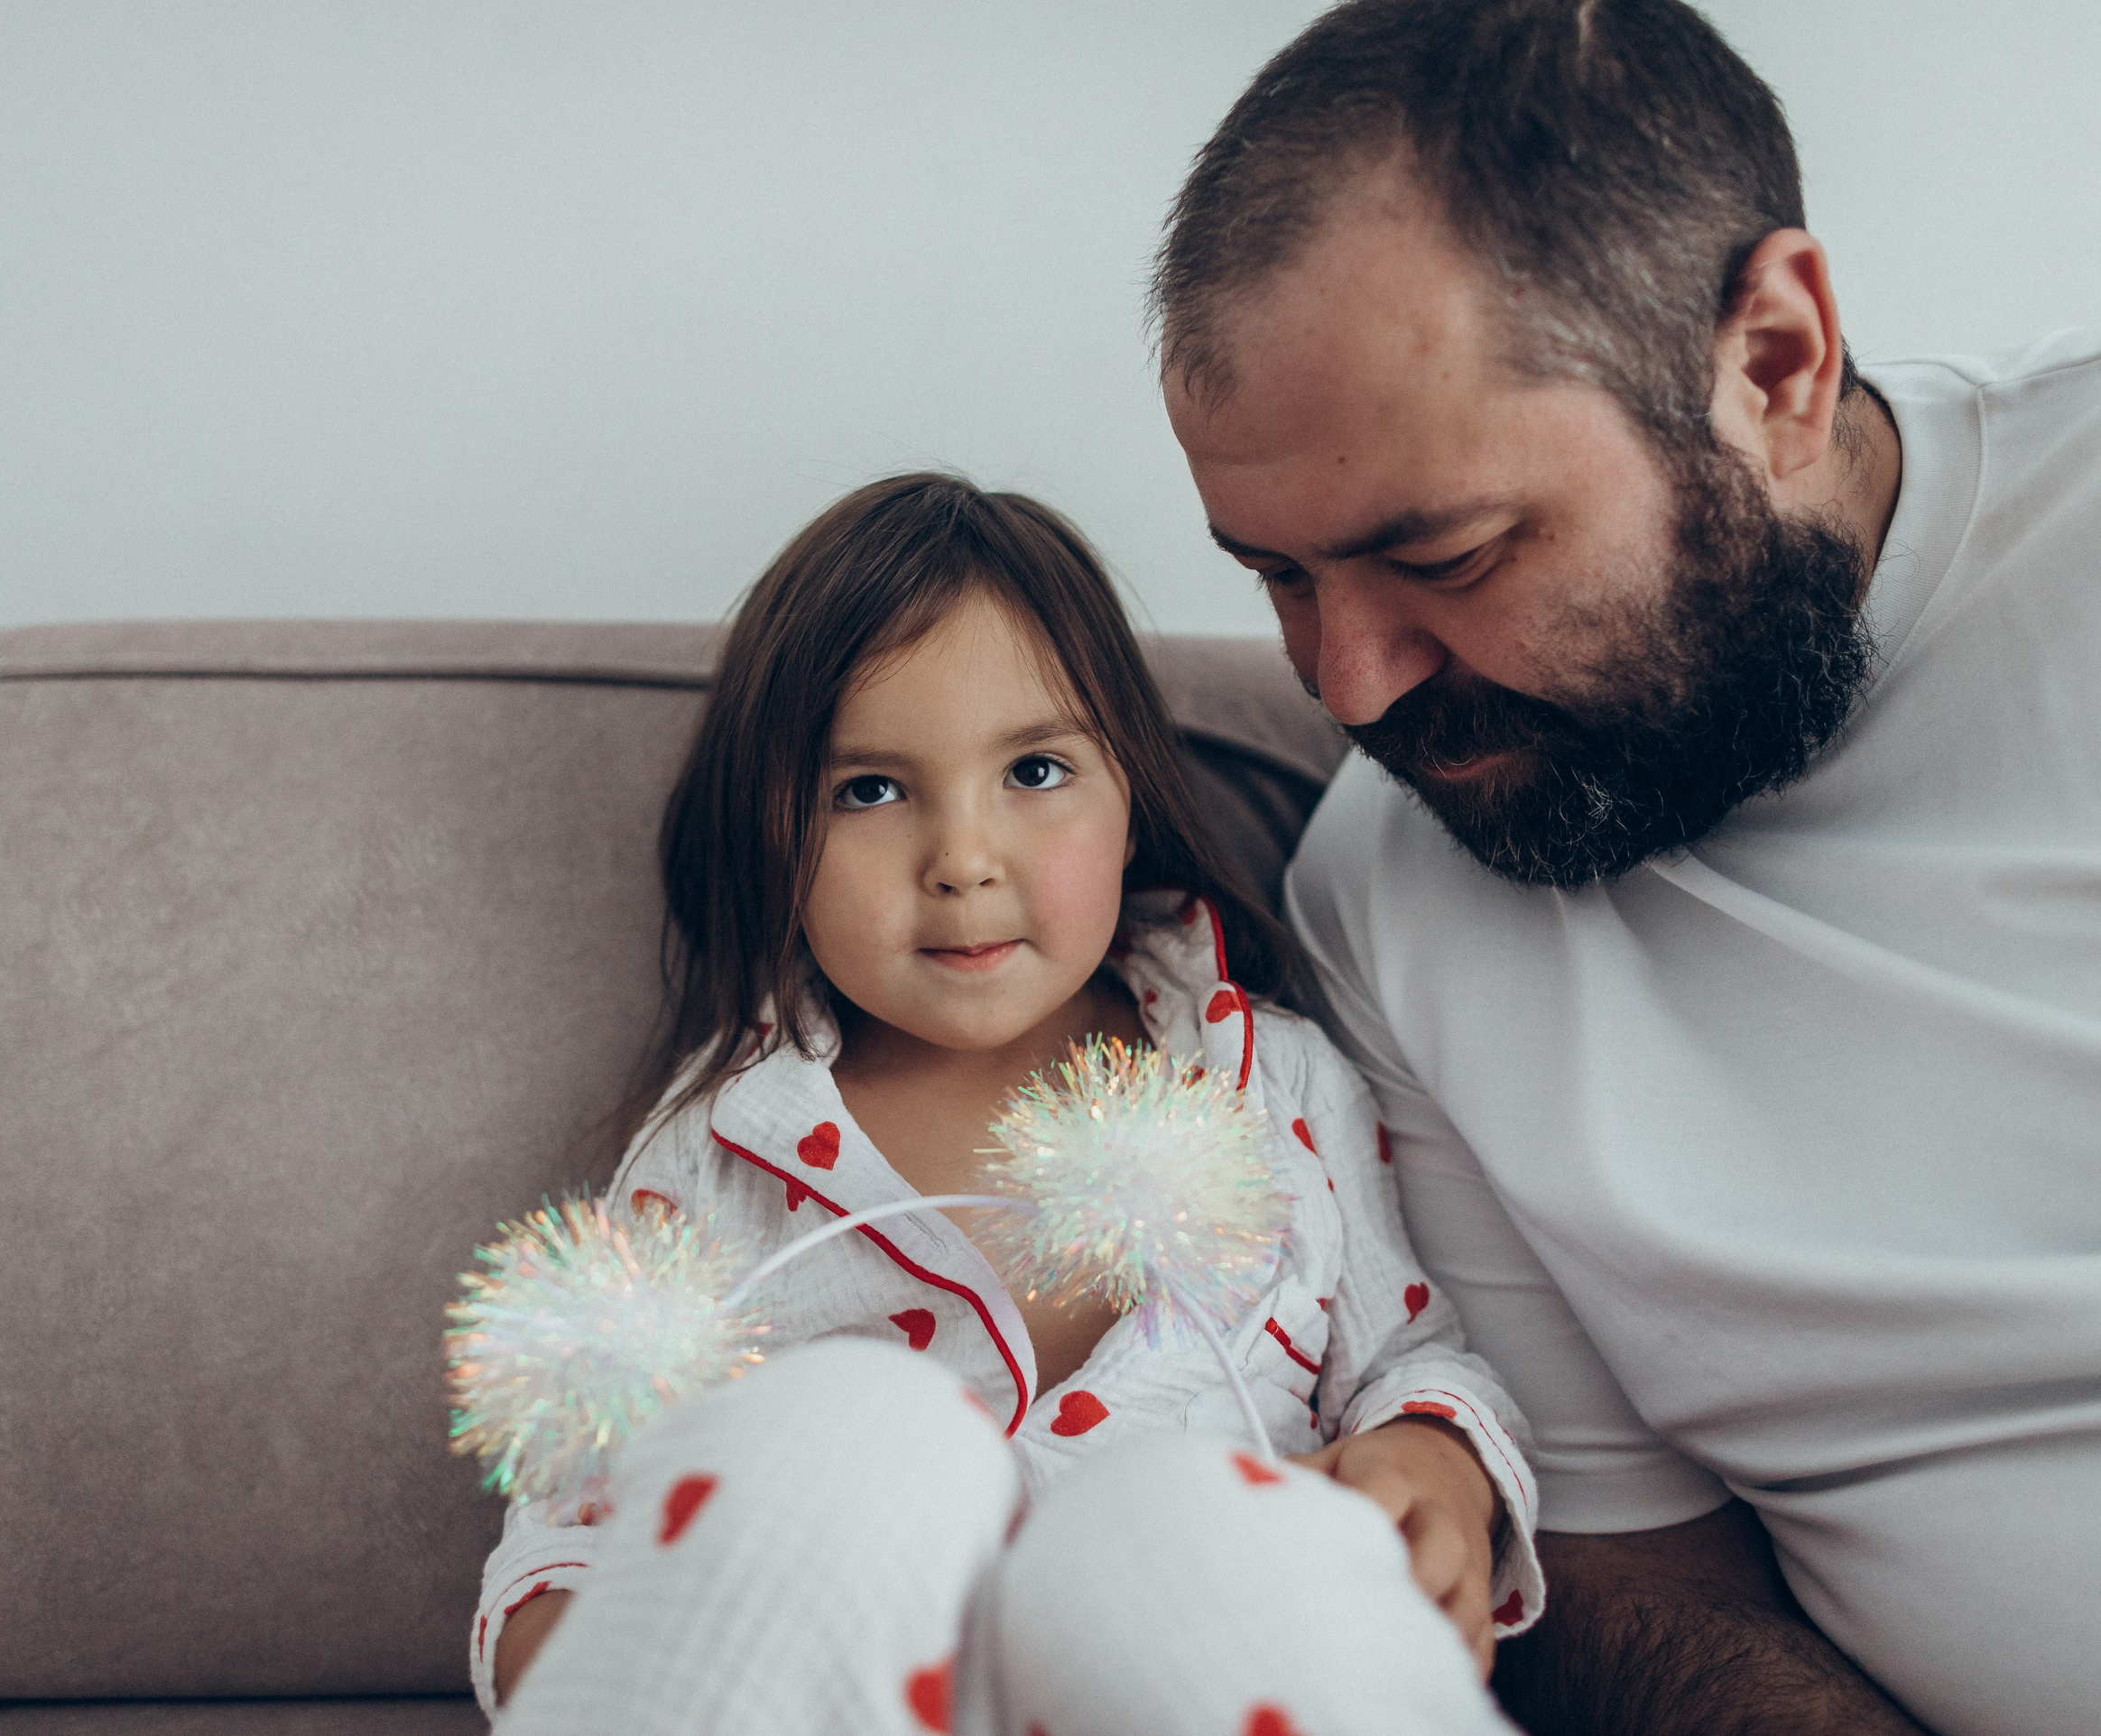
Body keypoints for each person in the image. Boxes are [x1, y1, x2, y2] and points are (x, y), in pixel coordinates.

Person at [1154, 3, 2101, 1733]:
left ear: (1773, 365)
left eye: (1441, 553)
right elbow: (1630, 1566)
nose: (1350, 685)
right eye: (1277, 577)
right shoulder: (1387, 887)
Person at [471, 474, 1542, 1735]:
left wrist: (1437, 1463)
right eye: (867, 790)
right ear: (772, 836)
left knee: (1190, 1529)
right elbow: (568, 1520)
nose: (963, 860)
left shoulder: (1275, 1086)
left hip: (1186, 1676)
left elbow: (1409, 1363)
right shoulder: (716, 1157)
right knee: (849, 1433)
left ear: (1129, 791)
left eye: (1035, 770)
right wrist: (597, 1634)